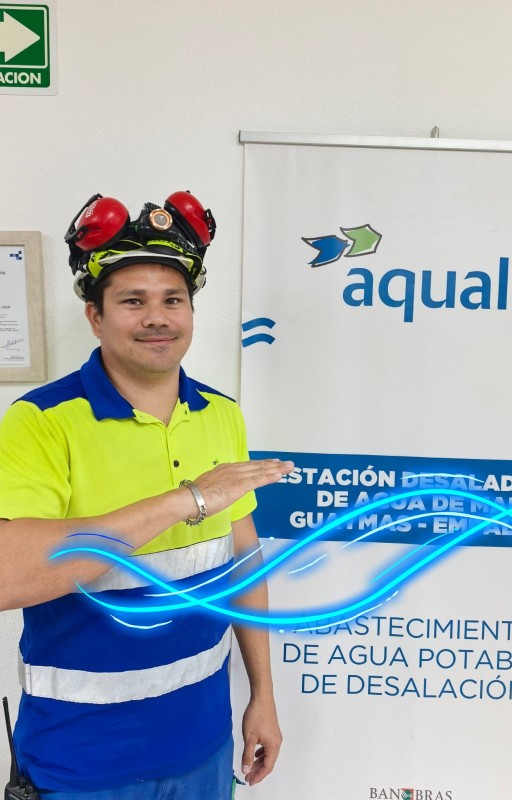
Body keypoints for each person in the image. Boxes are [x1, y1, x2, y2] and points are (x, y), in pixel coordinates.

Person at [0, 191, 294, 799]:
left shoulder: (221, 414)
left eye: (172, 300)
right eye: (133, 301)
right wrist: (186, 500)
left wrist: (262, 695)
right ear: (95, 316)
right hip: (81, 764)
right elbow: (7, 577)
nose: (157, 318)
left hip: (204, 748)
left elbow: (244, 560)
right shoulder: (41, 421)